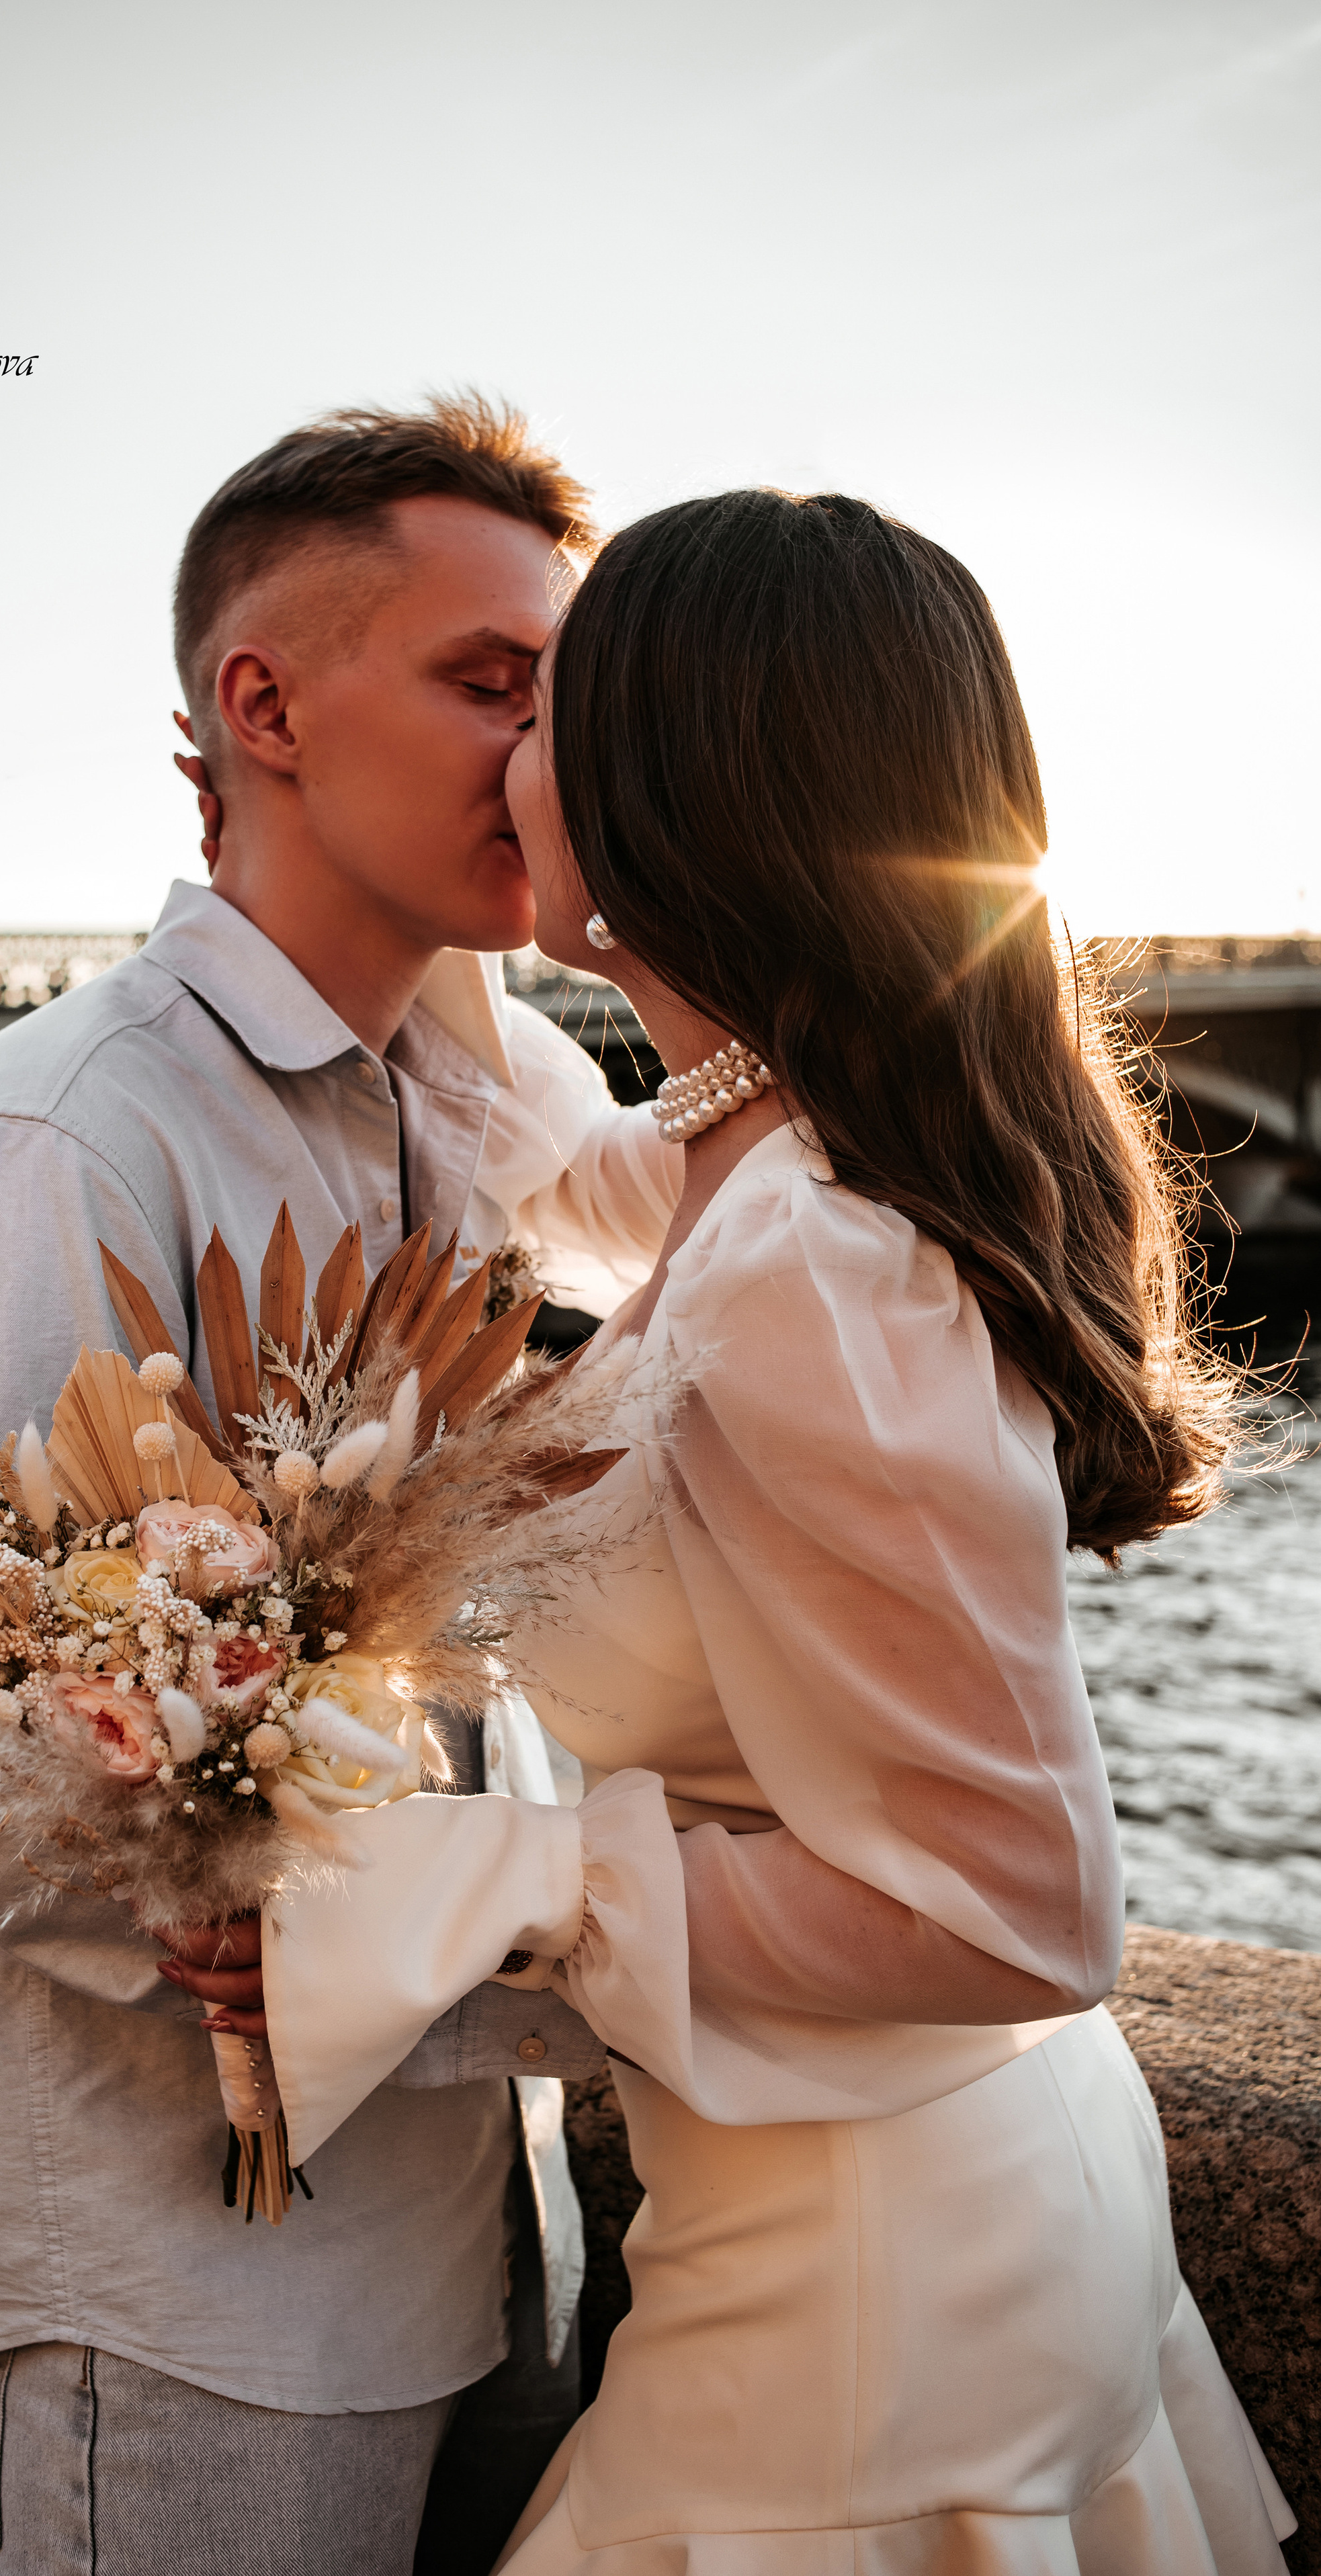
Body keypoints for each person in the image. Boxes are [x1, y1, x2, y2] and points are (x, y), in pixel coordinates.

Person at [257, 488, 1297, 2573]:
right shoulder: (753, 1157)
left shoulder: (808, 1263)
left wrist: (500, 1877)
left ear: (678, 763)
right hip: (915, 2204)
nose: (508, 746)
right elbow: (552, 1149)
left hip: (872, 2298)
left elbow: (1022, 1903)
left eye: (546, 701)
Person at [0, 398, 683, 2576]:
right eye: (492, 686)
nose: (545, 762)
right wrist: (551, 1928)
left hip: (475, 2244)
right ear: (263, 704)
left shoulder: (466, 1108)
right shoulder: (64, 1148)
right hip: (194, 2296)